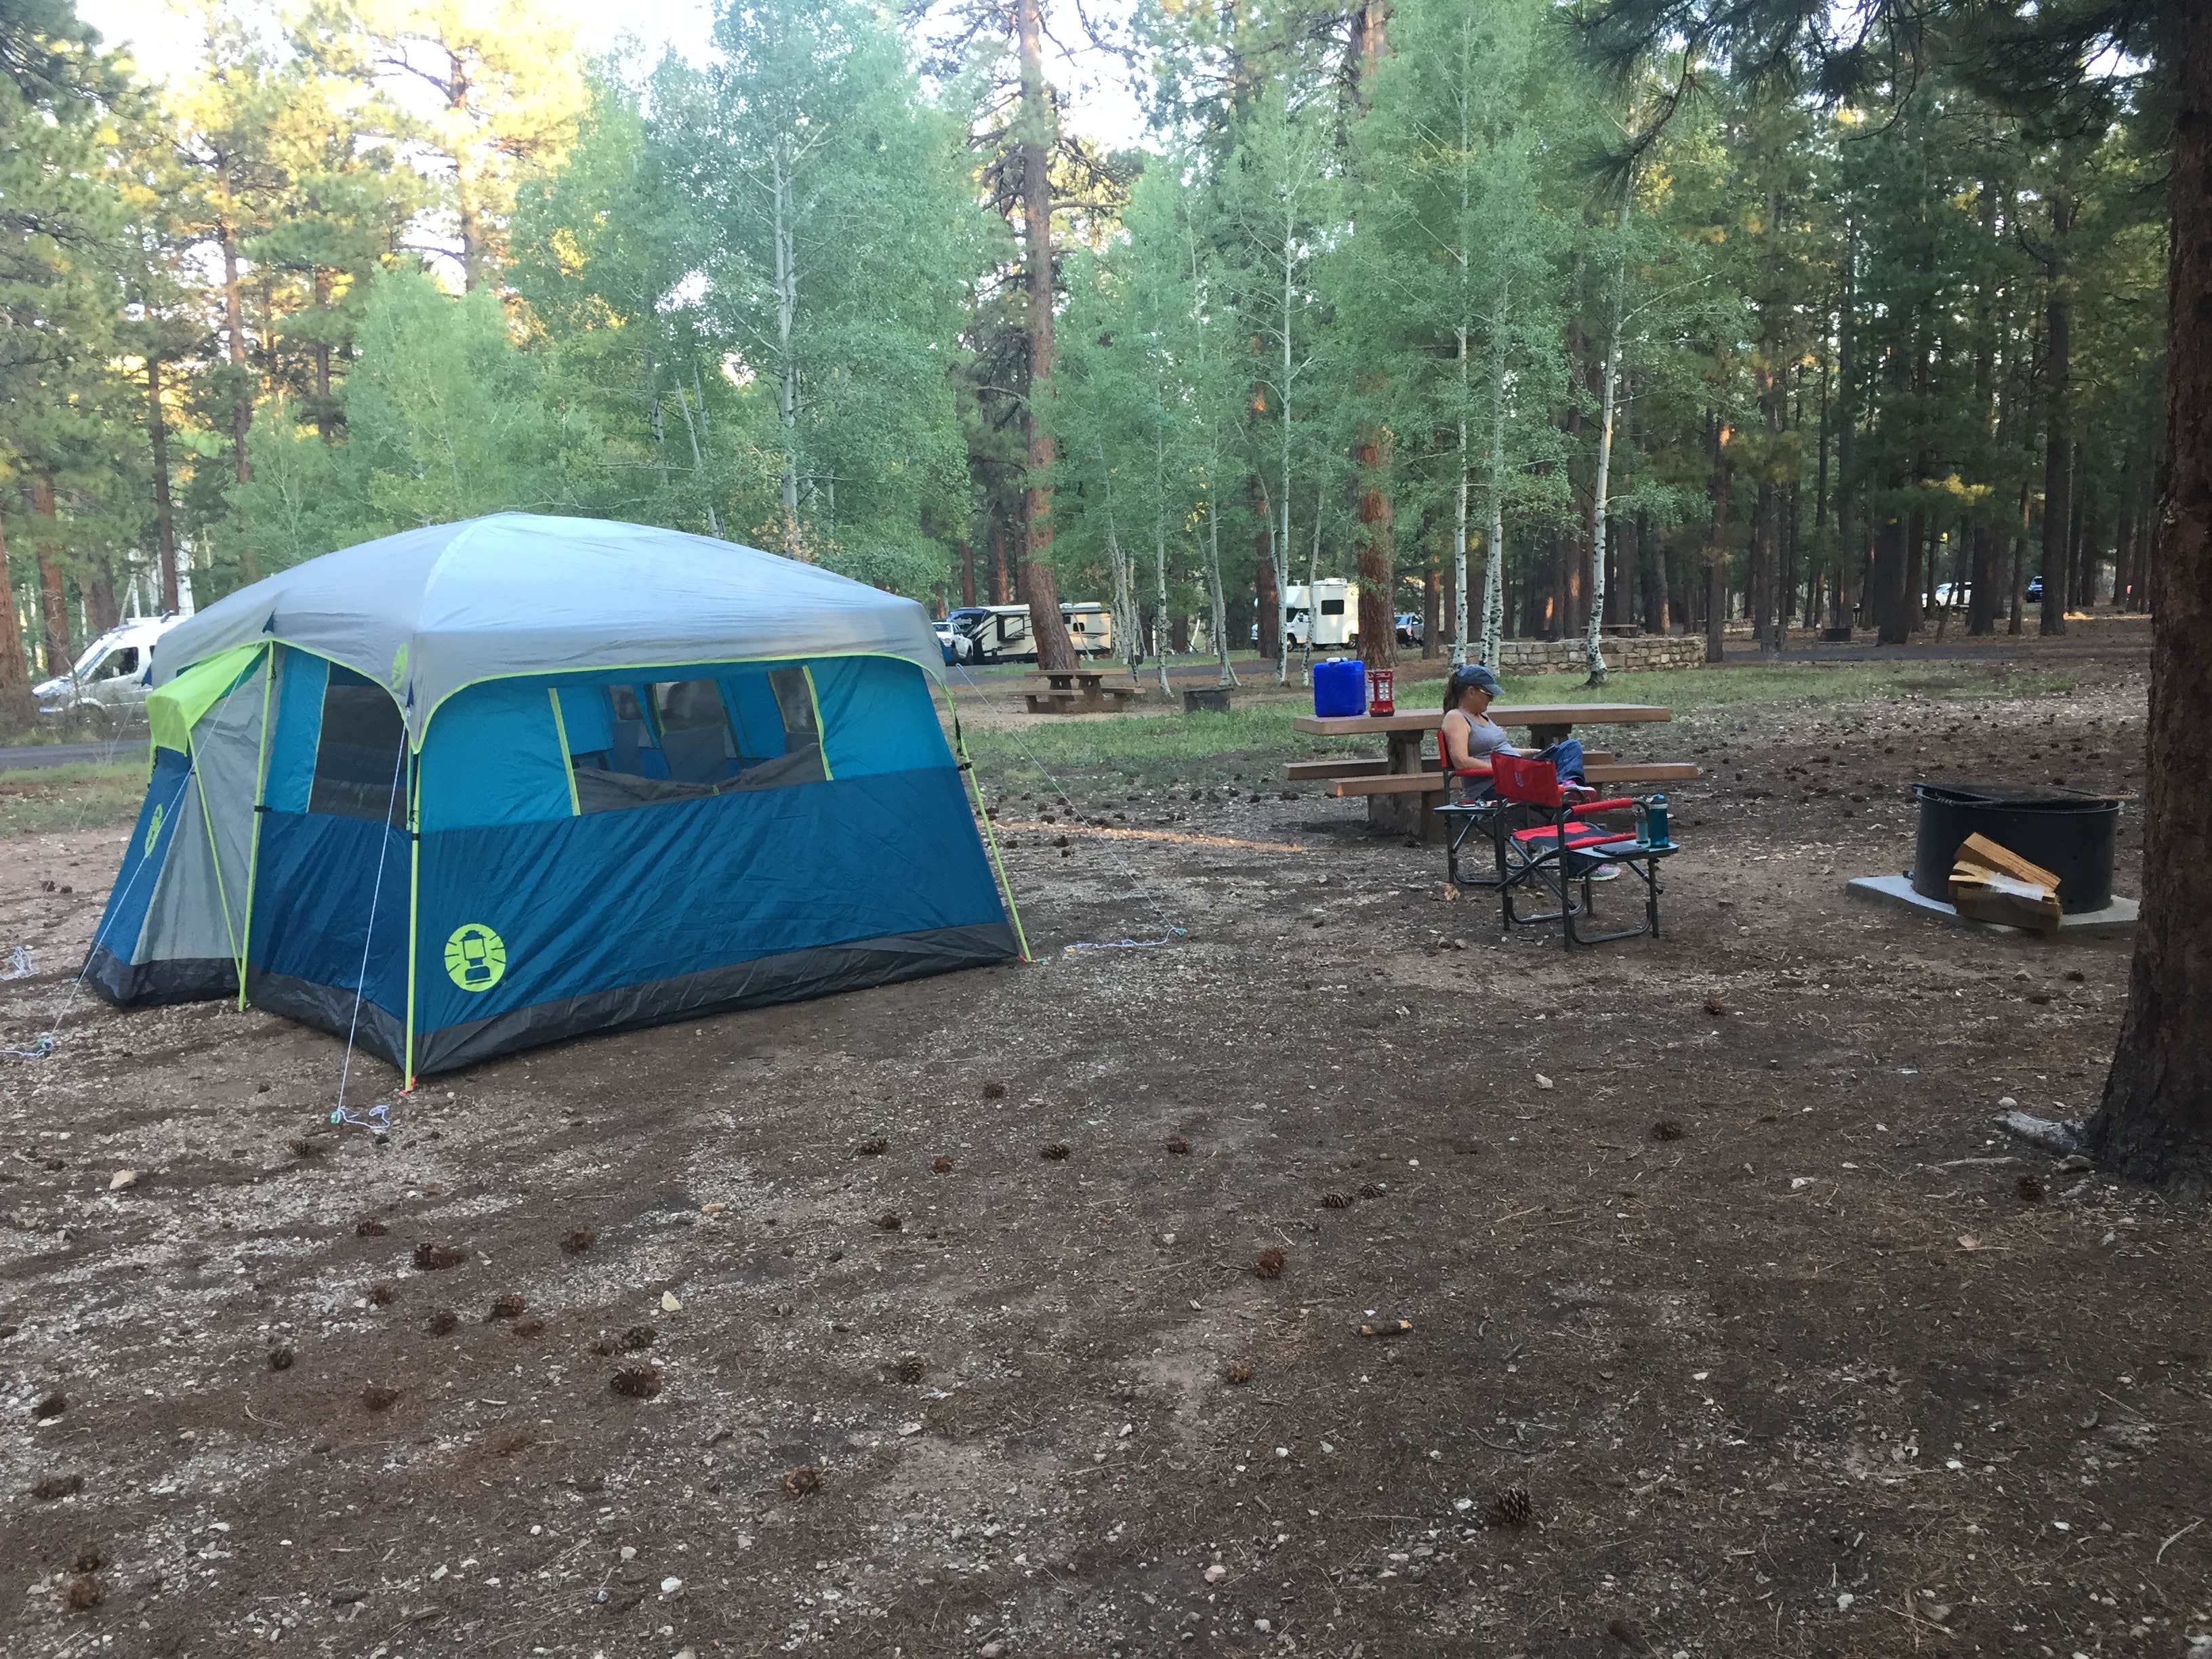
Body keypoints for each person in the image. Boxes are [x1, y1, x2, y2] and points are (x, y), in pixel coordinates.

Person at [1438, 663, 1591, 804]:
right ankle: (1566, 793)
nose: (1492, 699)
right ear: (1471, 692)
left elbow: (1503, 750)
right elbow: (1461, 761)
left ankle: (1568, 787)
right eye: (1489, 694)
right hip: (1494, 785)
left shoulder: (1481, 716)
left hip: (1515, 774)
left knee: (1570, 747)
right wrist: (1504, 770)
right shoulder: (1456, 717)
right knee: (1568, 798)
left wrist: (1535, 753)